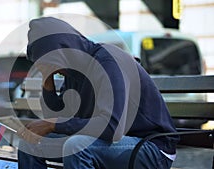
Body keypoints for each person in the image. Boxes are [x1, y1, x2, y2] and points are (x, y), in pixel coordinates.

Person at [17, 17, 179, 169]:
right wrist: (47, 80)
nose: (54, 68)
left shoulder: (109, 61)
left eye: (51, 62)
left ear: (64, 51)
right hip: (104, 144)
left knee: (76, 146)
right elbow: (61, 118)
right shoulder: (73, 71)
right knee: (30, 144)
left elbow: (112, 128)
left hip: (151, 148)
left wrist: (53, 124)